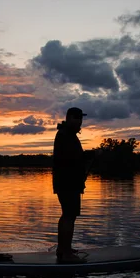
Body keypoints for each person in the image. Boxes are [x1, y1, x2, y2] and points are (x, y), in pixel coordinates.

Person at [52, 107, 92, 263]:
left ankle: (62, 248)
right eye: (77, 118)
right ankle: (66, 253)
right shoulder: (66, 135)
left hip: (67, 182)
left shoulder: (66, 134)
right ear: (68, 118)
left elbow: (76, 157)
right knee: (69, 216)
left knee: (67, 215)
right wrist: (92, 155)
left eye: (81, 118)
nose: (80, 121)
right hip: (68, 182)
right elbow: (73, 159)